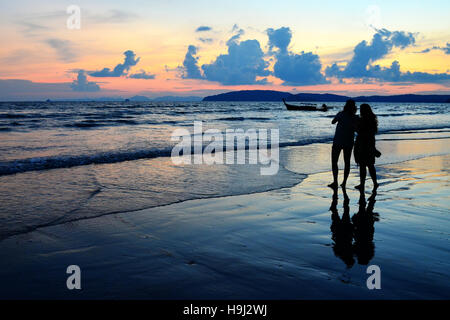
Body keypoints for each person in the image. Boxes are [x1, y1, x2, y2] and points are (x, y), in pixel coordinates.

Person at [328, 99, 358, 189]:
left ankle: (335, 181)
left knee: (334, 162)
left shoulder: (341, 114)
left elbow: (333, 122)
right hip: (349, 141)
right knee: (347, 162)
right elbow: (357, 129)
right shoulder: (355, 117)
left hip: (338, 140)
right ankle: (344, 182)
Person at [354, 103, 379, 191]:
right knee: (370, 165)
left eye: (360, 109)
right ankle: (375, 183)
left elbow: (358, 131)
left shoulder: (362, 120)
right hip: (370, 142)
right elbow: (373, 131)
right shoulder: (372, 119)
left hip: (362, 143)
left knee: (362, 165)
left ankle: (362, 184)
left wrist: (356, 123)